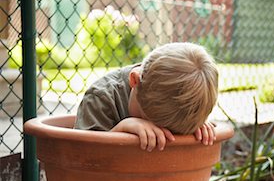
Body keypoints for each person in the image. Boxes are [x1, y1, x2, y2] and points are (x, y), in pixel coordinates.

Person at [75, 42, 218, 152]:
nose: (154, 130)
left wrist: (195, 124)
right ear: (134, 81)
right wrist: (121, 130)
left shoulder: (180, 107)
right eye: (146, 118)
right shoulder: (101, 98)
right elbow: (79, 155)